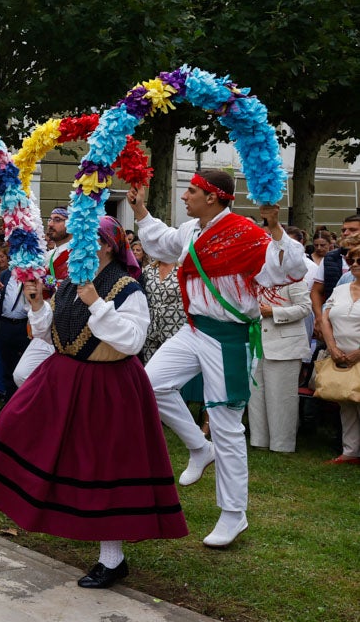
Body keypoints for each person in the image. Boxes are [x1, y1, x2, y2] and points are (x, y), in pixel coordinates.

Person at [0, 216, 186, 589]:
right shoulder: (72, 281)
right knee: (16, 426)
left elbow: (132, 341)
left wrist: (96, 304)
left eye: (86, 239)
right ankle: (35, 507)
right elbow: (49, 333)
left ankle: (113, 559)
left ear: (107, 245)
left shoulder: (128, 289)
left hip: (109, 386)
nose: (76, 245)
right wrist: (38, 303)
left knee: (104, 469)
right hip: (65, 377)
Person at [129, 169, 308, 547]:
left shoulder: (246, 232)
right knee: (149, 384)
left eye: (190, 191)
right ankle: (199, 447)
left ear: (212, 196)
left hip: (229, 339)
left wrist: (276, 229)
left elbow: (290, 270)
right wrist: (141, 209)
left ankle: (233, 514)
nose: (184, 196)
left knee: (227, 426)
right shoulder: (192, 229)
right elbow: (163, 243)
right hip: (194, 330)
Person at [245, 274, 310, 453]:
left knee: (281, 397)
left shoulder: (294, 280)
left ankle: (282, 445)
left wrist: (274, 312)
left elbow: (305, 308)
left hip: (285, 345)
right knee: (256, 395)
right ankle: (259, 440)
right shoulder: (255, 279)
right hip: (257, 343)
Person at [13, 207, 72, 385]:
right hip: (45, 322)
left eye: (58, 219)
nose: (51, 223)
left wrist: (48, 282)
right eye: (50, 219)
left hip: (67, 325)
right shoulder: (48, 255)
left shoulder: (77, 255)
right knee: (22, 375)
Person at [315, 245, 360, 465]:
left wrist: (357, 354)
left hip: (357, 355)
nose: (354, 265)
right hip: (340, 356)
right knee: (347, 402)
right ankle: (350, 451)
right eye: (352, 261)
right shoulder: (342, 289)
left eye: (359, 260)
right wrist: (332, 347)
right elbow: (325, 317)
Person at [0, 247, 30, 401]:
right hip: (6, 324)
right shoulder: (6, 274)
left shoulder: (30, 275)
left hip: (23, 326)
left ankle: (23, 400)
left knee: (22, 365)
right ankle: (8, 401)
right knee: (7, 363)